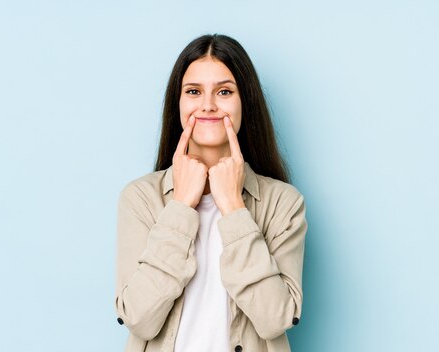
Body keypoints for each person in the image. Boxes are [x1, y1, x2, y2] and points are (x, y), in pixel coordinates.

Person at [114, 34, 308, 352]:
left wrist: (233, 208)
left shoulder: (283, 203)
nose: (207, 104)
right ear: (177, 103)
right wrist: (180, 207)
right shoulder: (140, 198)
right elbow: (139, 318)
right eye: (193, 91)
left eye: (224, 91)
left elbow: (275, 320)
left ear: (245, 101)